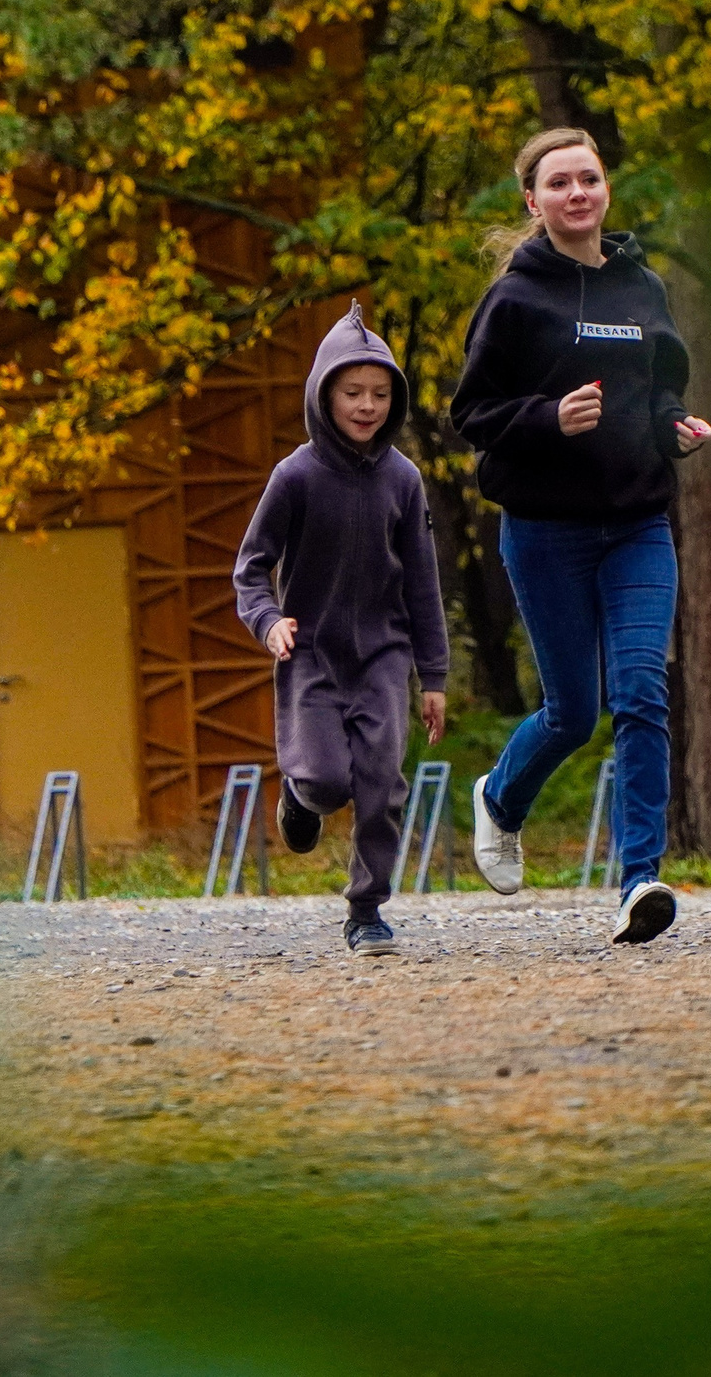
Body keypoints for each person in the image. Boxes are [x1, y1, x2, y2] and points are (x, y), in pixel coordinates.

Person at [450, 127, 711, 945]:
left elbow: (660, 390)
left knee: (641, 692)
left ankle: (640, 880)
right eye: (558, 183)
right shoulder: (515, 299)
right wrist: (547, 418)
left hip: (637, 521)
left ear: (605, 192)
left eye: (589, 179)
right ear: (533, 202)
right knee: (573, 712)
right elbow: (470, 415)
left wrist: (675, 428)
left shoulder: (643, 288)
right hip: (545, 529)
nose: (576, 193)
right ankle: (500, 798)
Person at [233, 304, 451, 956]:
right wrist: (269, 622)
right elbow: (251, 568)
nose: (367, 406)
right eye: (353, 392)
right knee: (327, 780)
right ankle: (302, 797)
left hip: (384, 656)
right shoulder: (294, 476)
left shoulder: (403, 481)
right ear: (324, 394)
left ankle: (366, 911)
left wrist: (432, 675)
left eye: (381, 394)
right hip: (313, 654)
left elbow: (422, 582)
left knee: (381, 783)